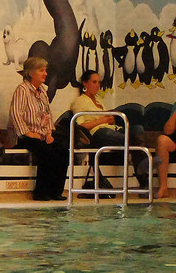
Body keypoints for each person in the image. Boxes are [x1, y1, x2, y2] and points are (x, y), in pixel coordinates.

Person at [69, 70, 151, 189]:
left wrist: (110, 120)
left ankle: (143, 173)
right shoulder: (80, 101)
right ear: (85, 84)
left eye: (99, 82)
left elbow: (106, 121)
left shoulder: (98, 100)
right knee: (132, 140)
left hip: (111, 130)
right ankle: (144, 173)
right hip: (96, 134)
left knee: (137, 129)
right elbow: (80, 126)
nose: (97, 85)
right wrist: (102, 120)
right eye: (94, 82)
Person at [9, 56, 70, 201]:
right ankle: (41, 191)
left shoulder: (42, 91)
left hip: (42, 135)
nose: (45, 74)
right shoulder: (22, 90)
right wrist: (28, 133)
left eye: (45, 70)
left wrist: (49, 133)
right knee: (46, 152)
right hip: (26, 137)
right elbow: (16, 113)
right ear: (31, 73)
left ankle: (56, 191)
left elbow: (48, 114)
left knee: (62, 150)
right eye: (41, 70)